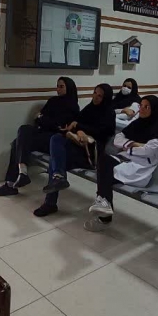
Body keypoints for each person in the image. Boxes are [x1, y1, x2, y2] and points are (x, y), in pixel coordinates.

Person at [84, 95, 158, 232]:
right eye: (141, 106)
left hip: (140, 168)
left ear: (154, 110)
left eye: (147, 107)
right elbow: (117, 139)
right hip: (126, 159)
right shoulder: (137, 124)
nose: (142, 109)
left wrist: (128, 146)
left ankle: (104, 212)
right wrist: (135, 144)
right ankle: (104, 204)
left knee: (105, 174)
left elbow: (149, 151)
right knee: (103, 160)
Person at [36, 84, 116, 217]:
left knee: (55, 163)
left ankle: (50, 201)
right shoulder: (89, 109)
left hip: (91, 154)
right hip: (78, 149)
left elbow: (102, 133)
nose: (95, 97)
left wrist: (80, 128)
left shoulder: (109, 113)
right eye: (95, 93)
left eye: (100, 96)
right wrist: (79, 129)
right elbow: (74, 124)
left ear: (106, 98)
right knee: (56, 140)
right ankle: (58, 180)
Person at [0, 77, 79, 196]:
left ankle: (13, 182)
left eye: (61, 86)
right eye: (57, 86)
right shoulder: (53, 101)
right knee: (23, 131)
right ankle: (21, 173)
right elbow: (38, 120)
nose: (58, 89)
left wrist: (43, 119)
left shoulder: (73, 106)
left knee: (18, 143)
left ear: (69, 88)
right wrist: (44, 120)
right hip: (42, 133)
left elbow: (59, 126)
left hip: (53, 140)